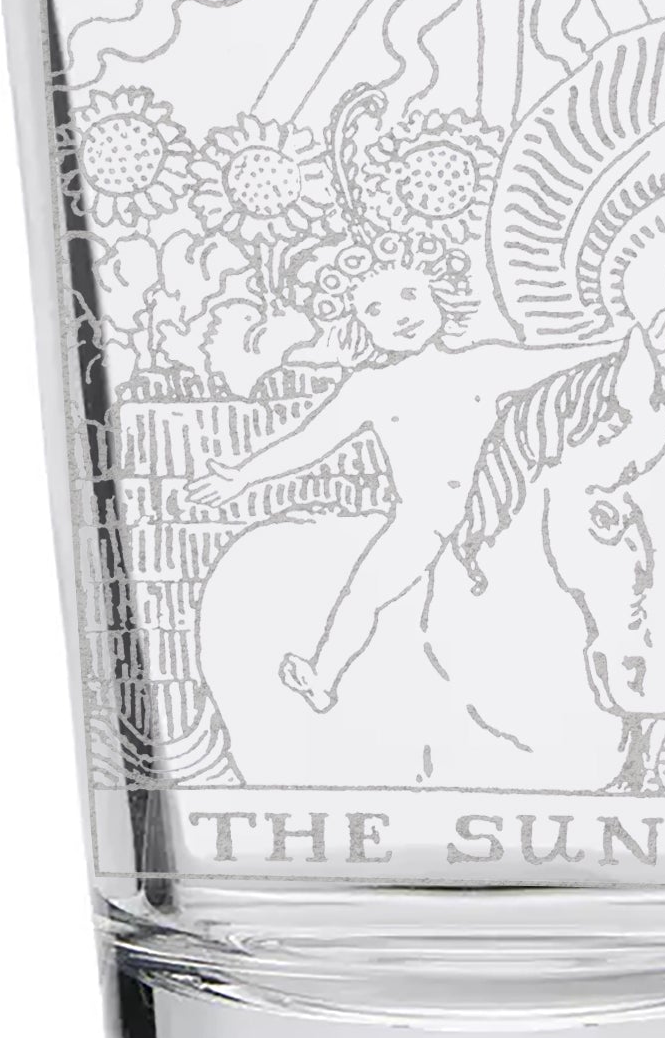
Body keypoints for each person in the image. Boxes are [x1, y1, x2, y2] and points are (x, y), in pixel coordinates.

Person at [190, 245, 607, 712]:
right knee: (362, 594)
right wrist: (243, 476)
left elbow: (563, 359)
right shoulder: (369, 388)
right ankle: (323, 676)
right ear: (359, 326)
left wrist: (630, 343)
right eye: (375, 309)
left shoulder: (484, 363)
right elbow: (310, 442)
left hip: (502, 508)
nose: (399, 315)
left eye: (410, 295)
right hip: (423, 523)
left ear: (439, 296)